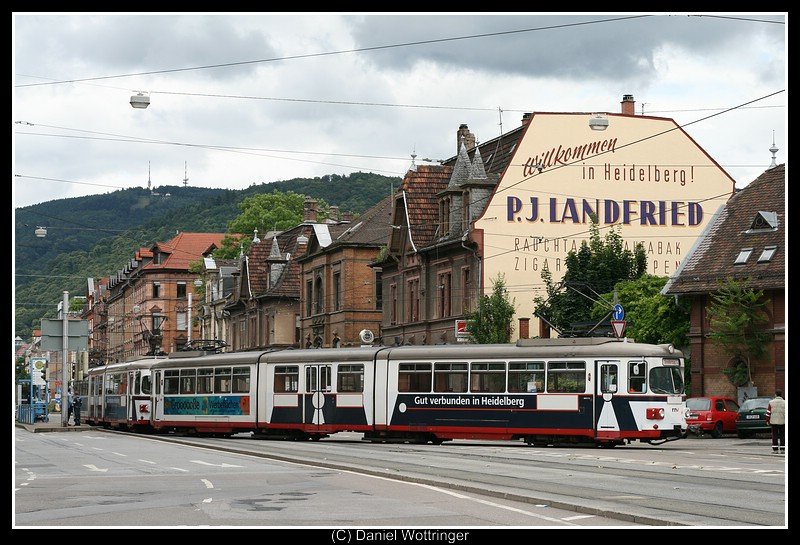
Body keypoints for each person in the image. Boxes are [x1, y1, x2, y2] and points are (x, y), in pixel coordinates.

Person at [766, 390, 786, 454]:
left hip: (773, 421)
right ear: (781, 395)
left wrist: (767, 420)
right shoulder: (785, 402)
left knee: (775, 435)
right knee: (783, 435)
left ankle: (775, 449)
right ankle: (783, 449)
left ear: (775, 395)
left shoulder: (771, 402)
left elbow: (768, 413)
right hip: (783, 421)